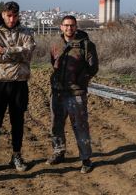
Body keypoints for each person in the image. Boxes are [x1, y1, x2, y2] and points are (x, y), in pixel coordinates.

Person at [0, 1, 35, 175]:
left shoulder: (26, 32)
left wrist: (4, 51)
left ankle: (16, 155)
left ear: (18, 15)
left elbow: (28, 54)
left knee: (18, 121)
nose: (12, 19)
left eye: (14, 15)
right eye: (8, 15)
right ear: (3, 14)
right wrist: (17, 53)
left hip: (19, 83)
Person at [47, 15, 99, 173]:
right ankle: (59, 152)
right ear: (61, 27)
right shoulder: (55, 44)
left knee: (80, 126)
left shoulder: (86, 45)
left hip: (76, 92)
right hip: (57, 92)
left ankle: (86, 159)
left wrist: (82, 79)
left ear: (76, 27)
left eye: (72, 25)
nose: (69, 28)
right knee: (56, 125)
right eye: (66, 25)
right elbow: (53, 62)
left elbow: (93, 67)